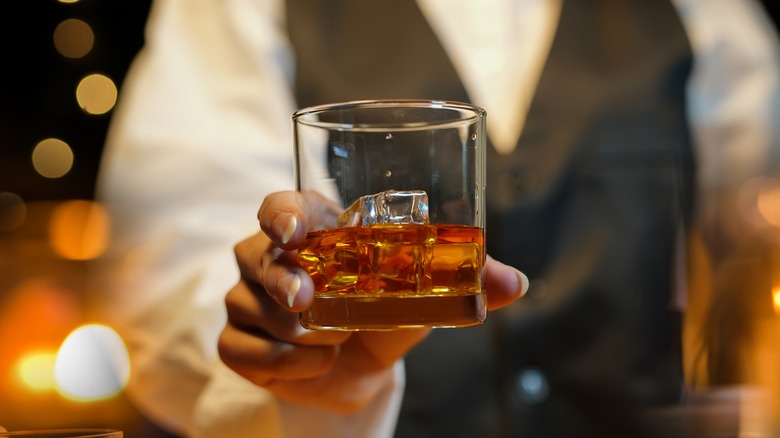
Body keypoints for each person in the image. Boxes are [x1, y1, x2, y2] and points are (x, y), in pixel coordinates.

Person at [93, 0, 780, 437]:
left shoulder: (711, 14)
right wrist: (299, 377)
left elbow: (752, 235)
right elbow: (171, 263)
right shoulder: (233, 12)